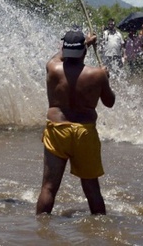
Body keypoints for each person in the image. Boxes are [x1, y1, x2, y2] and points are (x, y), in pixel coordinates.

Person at [36, 30, 115, 215]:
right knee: (92, 189)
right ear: (84, 53)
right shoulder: (97, 74)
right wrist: (106, 79)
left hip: (57, 130)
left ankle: (41, 231)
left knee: (48, 187)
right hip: (84, 132)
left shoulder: (52, 68)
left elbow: (59, 55)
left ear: (64, 49)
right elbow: (109, 103)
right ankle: (100, 232)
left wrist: (85, 42)